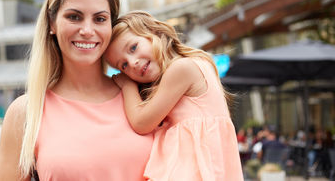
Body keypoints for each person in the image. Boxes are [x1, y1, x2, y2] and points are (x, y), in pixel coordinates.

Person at [0, 0, 153, 180]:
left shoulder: (147, 96)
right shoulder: (26, 112)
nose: (87, 30)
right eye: (74, 17)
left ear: (110, 26)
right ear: (52, 23)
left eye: (99, 19)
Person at [104, 10, 244, 181]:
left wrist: (127, 85)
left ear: (154, 33)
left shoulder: (181, 69)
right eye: (123, 65)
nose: (132, 63)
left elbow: (141, 122)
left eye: (133, 47)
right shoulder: (195, 64)